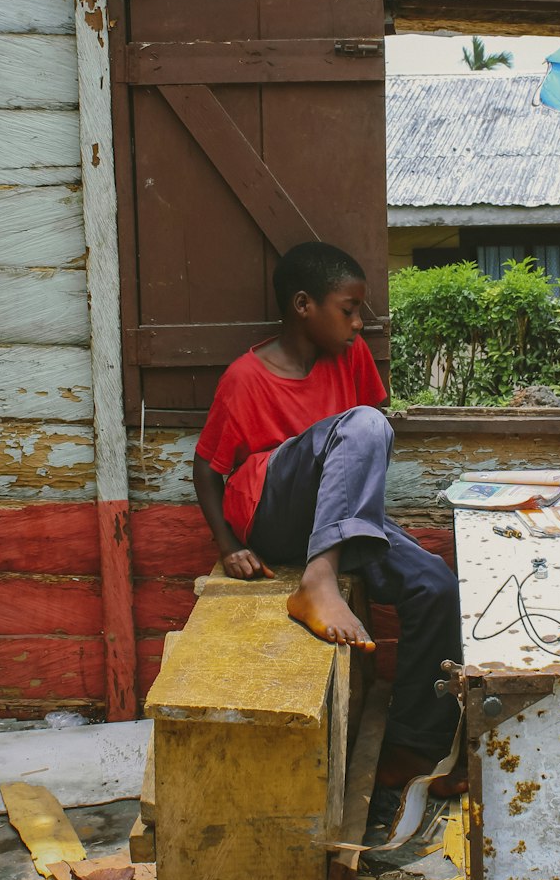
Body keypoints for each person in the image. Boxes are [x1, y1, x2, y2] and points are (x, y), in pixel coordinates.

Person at [193, 240, 462, 787]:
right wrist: (228, 546)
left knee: (436, 585)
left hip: (334, 521)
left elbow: (362, 448)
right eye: (349, 308)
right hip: (271, 512)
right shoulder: (247, 378)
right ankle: (316, 582)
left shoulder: (350, 358)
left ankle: (411, 749)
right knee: (365, 423)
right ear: (302, 306)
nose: (359, 323)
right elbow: (206, 470)